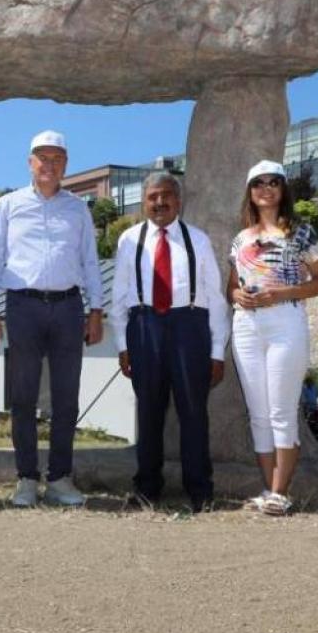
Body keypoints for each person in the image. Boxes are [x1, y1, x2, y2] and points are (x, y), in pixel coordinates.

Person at [0, 131, 104, 507]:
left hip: (68, 307)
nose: (49, 165)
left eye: (57, 158)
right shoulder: (8, 205)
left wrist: (95, 310)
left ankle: (61, 478)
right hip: (23, 307)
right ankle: (27, 479)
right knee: (23, 396)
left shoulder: (78, 208)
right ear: (29, 162)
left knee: (66, 397)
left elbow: (90, 261)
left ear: (65, 164)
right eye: (42, 158)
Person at [108, 172, 229, 512]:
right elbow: (119, 296)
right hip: (144, 326)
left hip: (189, 325)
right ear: (144, 201)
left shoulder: (199, 240)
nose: (159, 203)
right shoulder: (129, 240)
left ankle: (200, 490)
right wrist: (122, 345)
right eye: (152, 197)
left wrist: (217, 351)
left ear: (178, 200)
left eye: (165, 196)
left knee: (193, 412)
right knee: (148, 413)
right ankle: (147, 489)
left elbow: (216, 299)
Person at [228, 160, 318, 516]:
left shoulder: (300, 232)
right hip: (246, 326)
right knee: (258, 414)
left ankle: (280, 492)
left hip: (285, 324)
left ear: (284, 188)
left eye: (274, 182)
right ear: (250, 191)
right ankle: (268, 489)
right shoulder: (241, 238)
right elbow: (232, 284)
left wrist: (283, 293)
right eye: (258, 183)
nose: (266, 188)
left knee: (281, 411)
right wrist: (236, 296)